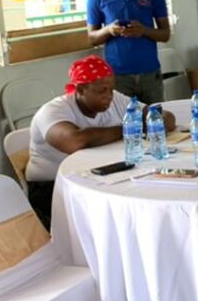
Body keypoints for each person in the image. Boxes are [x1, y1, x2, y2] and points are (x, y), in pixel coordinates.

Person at [25, 55, 175, 228]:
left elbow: (164, 117)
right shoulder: (53, 111)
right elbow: (75, 141)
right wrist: (128, 129)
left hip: (101, 176)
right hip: (53, 187)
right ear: (80, 90)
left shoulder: (115, 99)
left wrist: (155, 120)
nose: (109, 96)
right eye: (101, 91)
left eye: (111, 89)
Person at [86, 0, 170, 103]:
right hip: (117, 76)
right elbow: (92, 38)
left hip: (150, 74)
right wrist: (109, 30)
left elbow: (165, 34)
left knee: (156, 120)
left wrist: (143, 30)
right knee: (122, 123)